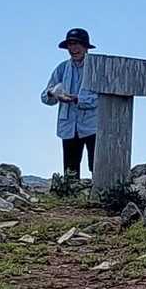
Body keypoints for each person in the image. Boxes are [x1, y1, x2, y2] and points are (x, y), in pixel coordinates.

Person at [41, 27, 99, 179]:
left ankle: (99, 192)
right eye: (70, 45)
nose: (73, 48)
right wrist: (53, 93)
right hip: (68, 126)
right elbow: (45, 96)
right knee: (70, 170)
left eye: (77, 44)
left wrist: (77, 99)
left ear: (85, 47)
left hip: (92, 125)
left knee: (97, 166)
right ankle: (71, 192)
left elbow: (102, 98)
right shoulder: (62, 68)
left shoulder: (96, 68)